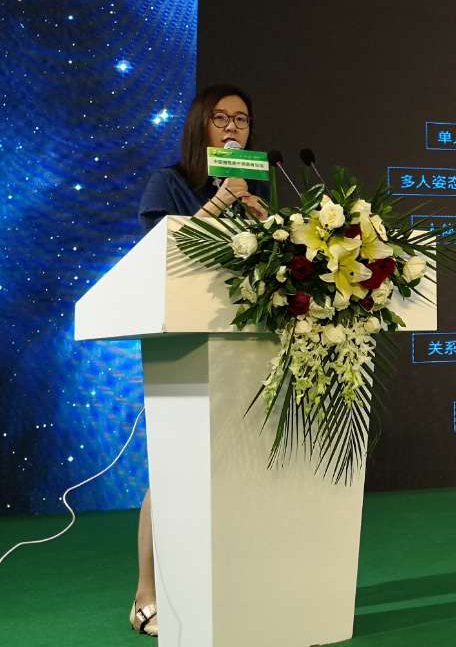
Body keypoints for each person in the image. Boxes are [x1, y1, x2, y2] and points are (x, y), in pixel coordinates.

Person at [129, 84, 268, 637]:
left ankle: (229, 583)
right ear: (199, 126)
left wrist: (263, 220)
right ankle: (147, 591)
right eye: (221, 118)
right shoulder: (167, 183)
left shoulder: (255, 186)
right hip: (182, 342)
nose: (233, 128)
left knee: (236, 470)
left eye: (242, 119)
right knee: (173, 468)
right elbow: (163, 256)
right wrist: (221, 202)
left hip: (242, 343)